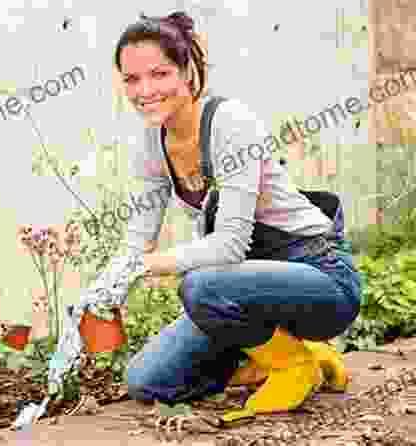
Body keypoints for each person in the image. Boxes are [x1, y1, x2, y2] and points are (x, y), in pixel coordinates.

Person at [114, 11, 362, 421]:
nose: (145, 90)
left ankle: (291, 365)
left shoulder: (230, 123)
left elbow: (230, 244)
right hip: (246, 287)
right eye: (132, 79)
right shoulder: (151, 140)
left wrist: (151, 265)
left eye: (159, 74)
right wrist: (108, 286)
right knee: (147, 380)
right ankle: (294, 354)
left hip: (319, 274)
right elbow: (136, 239)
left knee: (201, 287)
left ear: (187, 70)